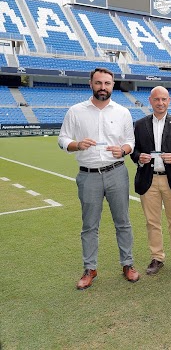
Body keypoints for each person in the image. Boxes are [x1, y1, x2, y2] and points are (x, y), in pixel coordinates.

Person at [58, 67, 139, 290]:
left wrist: (123, 149)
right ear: (91, 84)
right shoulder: (76, 111)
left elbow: (130, 142)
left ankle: (128, 264)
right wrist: (76, 145)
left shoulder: (122, 112)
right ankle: (90, 268)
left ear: (113, 85)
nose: (103, 87)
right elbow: (62, 139)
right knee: (89, 226)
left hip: (116, 172)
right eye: (98, 83)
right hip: (88, 175)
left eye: (107, 83)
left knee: (123, 223)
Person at [131, 86, 171, 275]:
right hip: (148, 180)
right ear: (150, 100)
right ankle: (157, 258)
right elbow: (133, 150)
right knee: (152, 222)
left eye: (164, 99)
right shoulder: (140, 124)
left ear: (169, 101)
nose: (160, 103)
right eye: (157, 99)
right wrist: (139, 157)